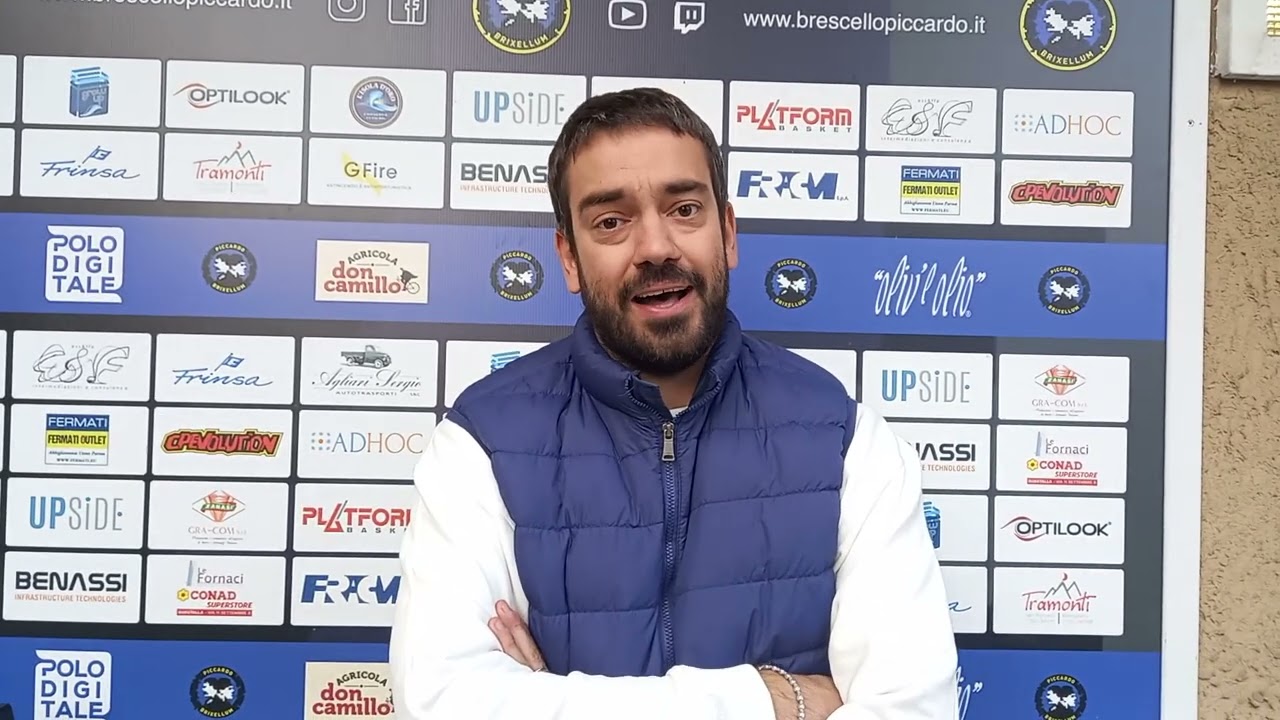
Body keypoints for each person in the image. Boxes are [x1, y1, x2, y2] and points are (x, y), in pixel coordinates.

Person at [389, 87, 958, 720]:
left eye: (684, 209)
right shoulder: (482, 443)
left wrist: (548, 702)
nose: (656, 247)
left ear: (728, 233)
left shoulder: (845, 439)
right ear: (569, 258)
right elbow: (440, 702)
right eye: (612, 221)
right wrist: (775, 701)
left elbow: (914, 710)